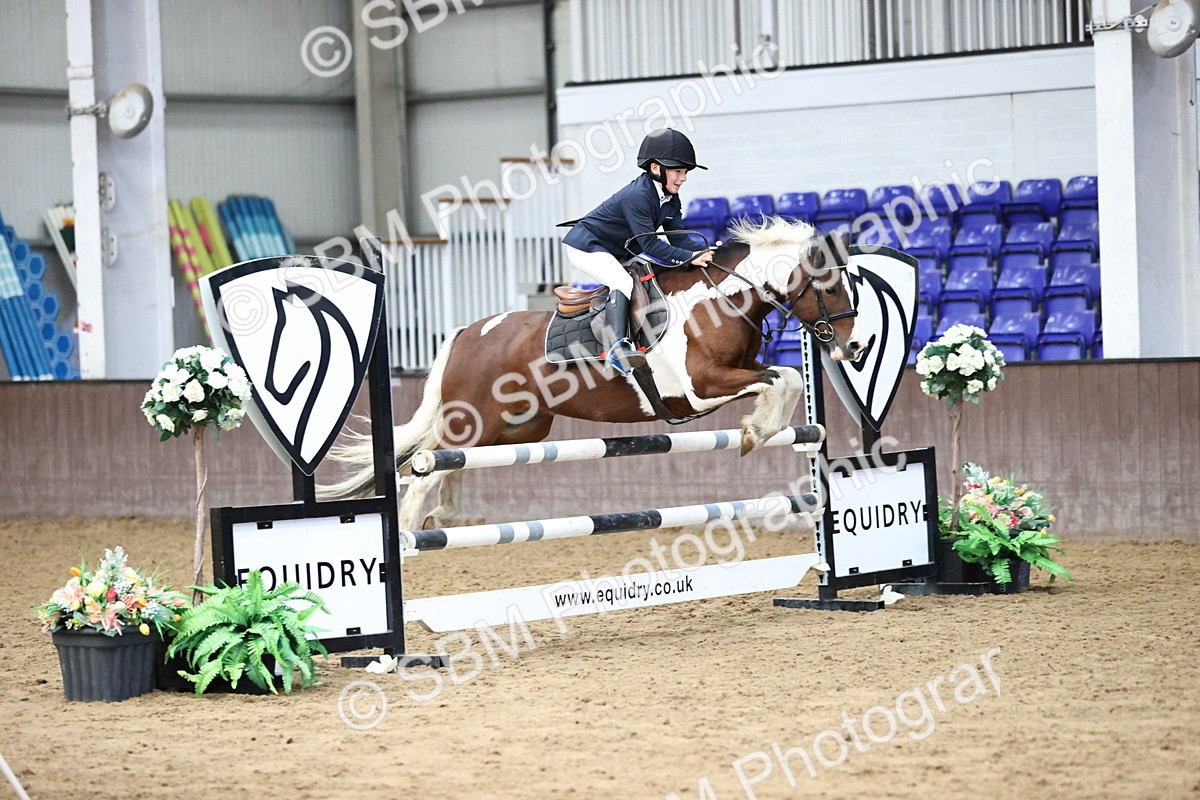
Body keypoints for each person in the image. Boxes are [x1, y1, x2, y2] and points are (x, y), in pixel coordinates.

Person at [562, 128, 714, 375]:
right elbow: (651, 246)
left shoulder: (670, 197)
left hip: (618, 248)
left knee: (651, 276)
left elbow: (680, 238)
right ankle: (617, 348)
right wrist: (689, 258)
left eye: (685, 172)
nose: (683, 177)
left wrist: (709, 252)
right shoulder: (638, 196)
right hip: (587, 246)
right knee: (621, 280)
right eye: (678, 171)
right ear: (656, 169)